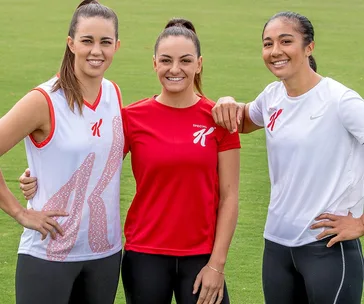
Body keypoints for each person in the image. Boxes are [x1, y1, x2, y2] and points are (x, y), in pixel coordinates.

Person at [20, 18, 241, 304]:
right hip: (144, 256)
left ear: (199, 64)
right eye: (166, 60)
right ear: (154, 64)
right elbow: (89, 157)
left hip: (201, 257)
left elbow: (230, 196)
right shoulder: (131, 118)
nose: (175, 69)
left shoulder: (219, 119)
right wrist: (37, 176)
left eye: (185, 60)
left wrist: (217, 264)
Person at [211, 11, 364, 304]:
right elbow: (240, 121)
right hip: (277, 247)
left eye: (286, 41)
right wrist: (227, 101)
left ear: (309, 47)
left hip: (326, 248)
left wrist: (360, 223)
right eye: (268, 44)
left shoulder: (340, 101)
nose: (275, 51)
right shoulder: (272, 97)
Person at [1, 1, 124, 303]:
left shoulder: (113, 93)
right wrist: (19, 212)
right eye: (87, 41)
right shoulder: (44, 99)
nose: (97, 50)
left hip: (104, 254)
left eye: (105, 42)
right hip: (48, 255)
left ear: (116, 46)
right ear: (71, 43)